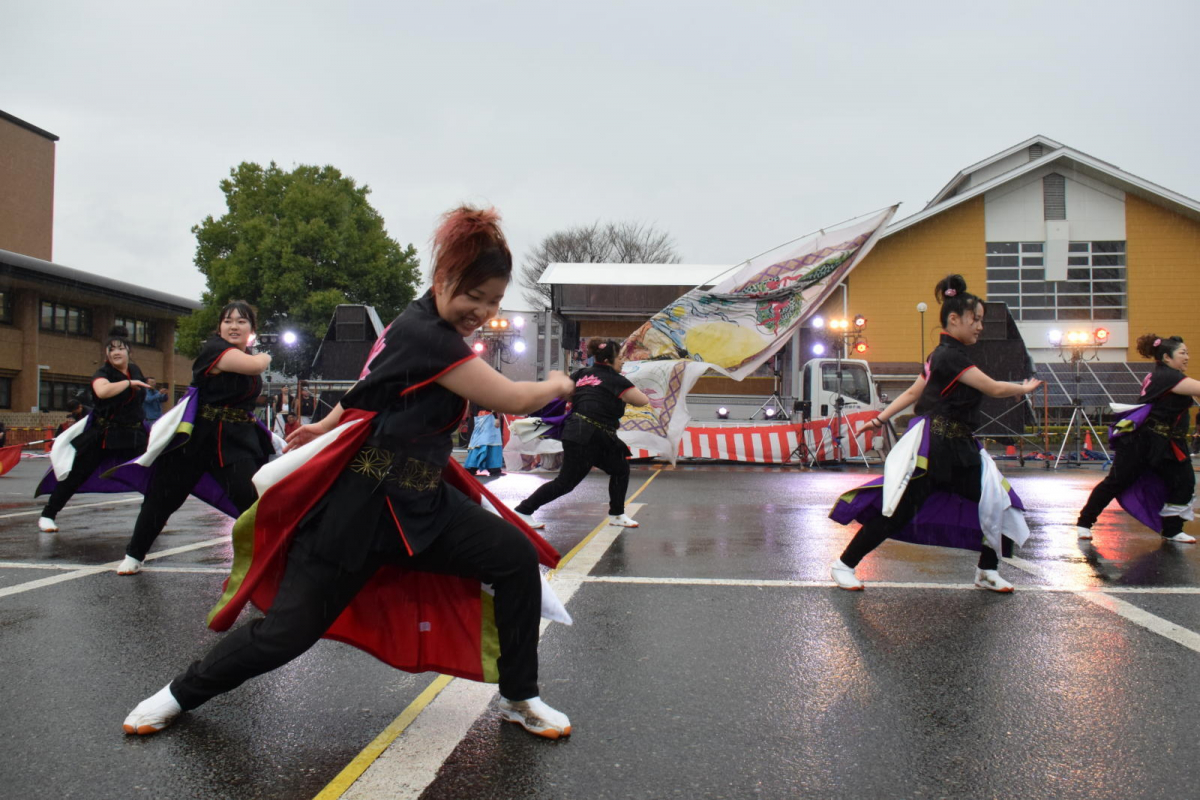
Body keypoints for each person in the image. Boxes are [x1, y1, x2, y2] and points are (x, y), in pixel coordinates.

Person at [122, 205, 578, 740]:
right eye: (472, 296)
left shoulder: (411, 324)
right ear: (442, 280)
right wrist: (558, 383)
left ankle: (520, 696)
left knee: (515, 559)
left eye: (494, 300)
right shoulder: (428, 336)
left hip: (425, 503)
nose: (481, 311)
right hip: (359, 509)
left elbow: (369, 387)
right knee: (285, 634)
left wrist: (325, 423)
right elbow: (511, 398)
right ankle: (179, 693)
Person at [828, 275, 1043, 592]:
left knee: (997, 501)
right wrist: (1023, 388)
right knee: (898, 511)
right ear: (954, 319)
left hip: (960, 448)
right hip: (936, 450)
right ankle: (843, 565)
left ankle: (987, 570)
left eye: (981, 320)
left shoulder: (941, 355)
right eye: (975, 319)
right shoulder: (949, 357)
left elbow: (912, 393)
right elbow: (993, 388)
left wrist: (879, 419)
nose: (980, 327)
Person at [117, 301, 274, 575]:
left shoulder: (244, 353)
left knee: (250, 499)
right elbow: (254, 365)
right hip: (196, 439)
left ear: (251, 328)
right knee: (163, 498)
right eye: (228, 321)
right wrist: (267, 356)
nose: (234, 326)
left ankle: (271, 559)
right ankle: (134, 553)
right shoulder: (215, 350)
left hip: (235, 440)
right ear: (219, 327)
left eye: (241, 321)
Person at [512, 338, 650, 530]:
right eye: (620, 357)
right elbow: (642, 400)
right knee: (565, 483)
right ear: (608, 360)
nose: (623, 361)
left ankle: (617, 514)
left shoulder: (581, 374)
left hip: (585, 433)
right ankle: (522, 511)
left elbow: (565, 393)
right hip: (589, 435)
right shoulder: (616, 380)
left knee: (620, 469)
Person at [1075, 334, 1200, 543]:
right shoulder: (1167, 377)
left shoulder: (1167, 376)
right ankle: (1084, 522)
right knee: (1117, 481)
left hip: (1169, 443)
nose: (1187, 357)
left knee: (1184, 482)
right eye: (1182, 353)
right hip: (1143, 441)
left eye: (1187, 353)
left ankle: (1172, 529)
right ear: (1167, 357)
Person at [36, 327, 151, 532]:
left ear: (129, 351)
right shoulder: (103, 373)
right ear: (106, 354)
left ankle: (153, 514)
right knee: (77, 475)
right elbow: (102, 390)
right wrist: (128, 383)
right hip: (104, 434)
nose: (116, 352)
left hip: (134, 433)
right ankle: (48, 514)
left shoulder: (135, 370)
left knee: (152, 472)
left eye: (120, 348)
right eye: (111, 349)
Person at [464, 408, 505, 475]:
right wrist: (496, 417)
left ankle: (472, 467)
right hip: (488, 417)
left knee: (480, 442)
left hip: (479, 417)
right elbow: (491, 404)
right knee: (490, 441)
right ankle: (493, 468)